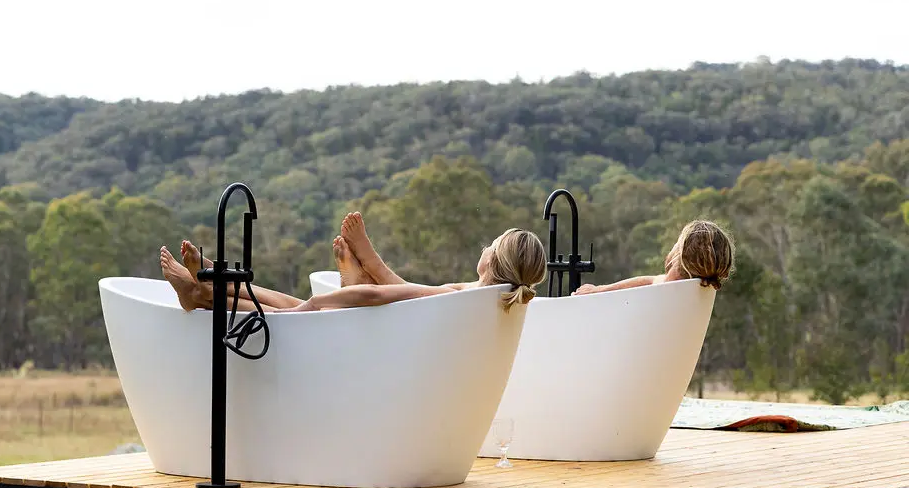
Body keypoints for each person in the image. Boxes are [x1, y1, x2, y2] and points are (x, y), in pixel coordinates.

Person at [159, 212, 546, 313]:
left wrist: (322, 302)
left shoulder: (461, 297)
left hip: (372, 340)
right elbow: (401, 292)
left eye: (488, 245)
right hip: (390, 337)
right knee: (280, 303)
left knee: (284, 309)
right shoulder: (488, 299)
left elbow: (379, 297)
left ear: (490, 260)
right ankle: (206, 286)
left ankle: (203, 291)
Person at [571, 220, 733, 295]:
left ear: (679, 254)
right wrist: (599, 290)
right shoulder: (697, 288)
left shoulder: (657, 296)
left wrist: (597, 293)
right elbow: (652, 280)